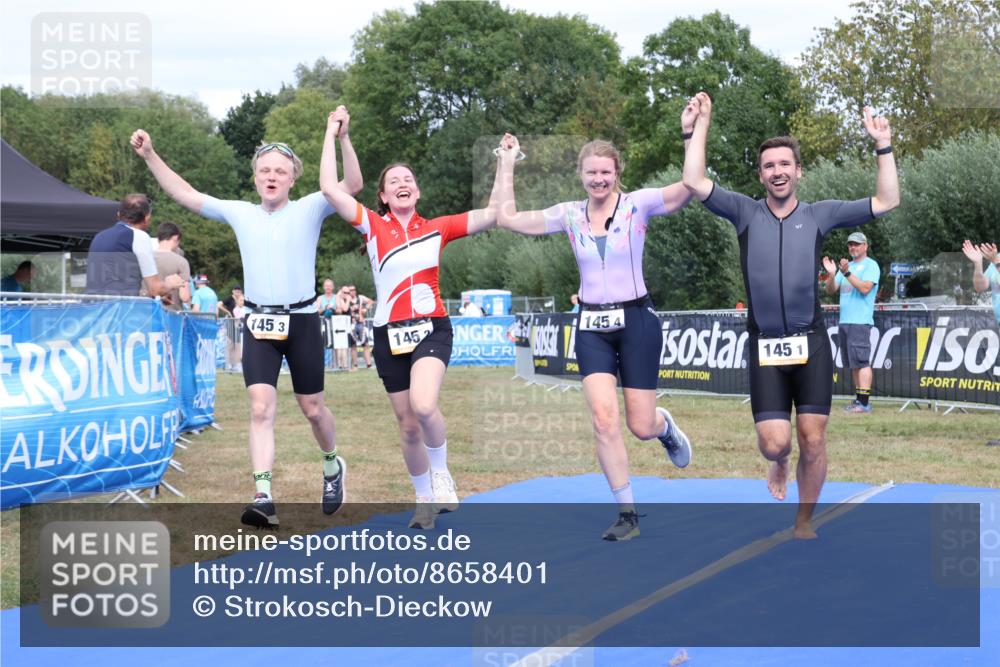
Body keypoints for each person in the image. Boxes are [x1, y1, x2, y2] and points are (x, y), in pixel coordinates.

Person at [130, 104, 362, 528]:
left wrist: (341, 137)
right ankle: (263, 495)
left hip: (303, 320)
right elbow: (184, 193)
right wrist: (150, 156)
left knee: (312, 409)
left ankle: (331, 464)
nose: (271, 176)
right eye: (264, 170)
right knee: (260, 408)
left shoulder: (313, 205)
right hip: (258, 321)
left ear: (294, 178)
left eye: (280, 171)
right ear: (255, 177)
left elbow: (354, 183)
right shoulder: (240, 212)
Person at [682, 92, 900, 539]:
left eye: (785, 164)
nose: (777, 171)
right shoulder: (744, 212)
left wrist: (883, 145)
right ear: (760, 174)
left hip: (811, 343)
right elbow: (693, 181)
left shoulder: (821, 216)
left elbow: (887, 199)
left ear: (798, 171)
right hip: (765, 345)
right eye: (769, 166)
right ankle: (779, 463)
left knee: (814, 438)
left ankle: (804, 519)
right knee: (775, 443)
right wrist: (699, 126)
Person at [496, 124, 694, 541]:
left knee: (639, 425)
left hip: (637, 321)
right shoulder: (569, 214)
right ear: (581, 175)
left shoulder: (638, 205)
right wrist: (507, 163)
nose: (599, 180)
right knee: (604, 421)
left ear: (617, 172)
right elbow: (509, 219)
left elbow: (690, 186)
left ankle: (664, 428)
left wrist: (692, 134)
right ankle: (627, 514)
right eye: (591, 173)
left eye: (605, 172)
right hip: (591, 326)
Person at [319, 109, 502, 529]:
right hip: (387, 334)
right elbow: (330, 186)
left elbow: (493, 212)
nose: (403, 184)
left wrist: (505, 162)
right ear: (383, 196)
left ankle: (441, 474)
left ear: (417, 192)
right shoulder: (371, 226)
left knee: (423, 404)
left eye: (409, 180)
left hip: (431, 328)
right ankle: (423, 500)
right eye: (393, 182)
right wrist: (337, 134)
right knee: (406, 426)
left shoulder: (438, 228)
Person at [86, 194, 184, 300]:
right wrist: (170, 284)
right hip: (120, 311)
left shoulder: (99, 236)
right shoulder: (138, 236)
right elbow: (155, 289)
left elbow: (109, 284)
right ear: (147, 218)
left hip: (95, 308)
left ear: (118, 215)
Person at [823, 232, 880, 413]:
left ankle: (864, 403)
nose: (852, 248)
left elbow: (865, 289)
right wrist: (832, 274)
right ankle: (859, 402)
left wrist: (846, 272)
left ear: (865, 246)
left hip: (860, 321)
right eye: (850, 245)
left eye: (856, 244)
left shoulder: (871, 265)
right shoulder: (845, 267)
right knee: (854, 364)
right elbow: (831, 290)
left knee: (862, 362)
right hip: (845, 321)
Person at [151, 222, 192, 311]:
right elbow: (184, 297)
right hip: (172, 314)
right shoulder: (181, 262)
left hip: (149, 313)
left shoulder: (146, 259)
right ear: (175, 238)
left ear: (158, 239)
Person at [963, 240, 1000, 326]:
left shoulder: (996, 259)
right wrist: (978, 263)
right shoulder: (997, 257)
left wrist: (996, 262)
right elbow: (980, 287)